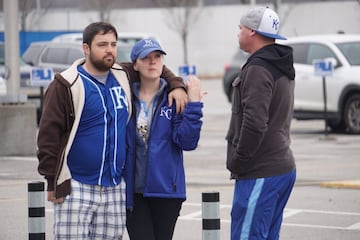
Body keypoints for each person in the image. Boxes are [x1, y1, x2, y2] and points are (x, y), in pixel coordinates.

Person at [37, 22, 187, 239]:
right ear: (86, 48)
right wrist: (52, 180)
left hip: (115, 188)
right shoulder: (67, 84)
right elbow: (48, 136)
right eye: (102, 44)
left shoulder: (122, 75)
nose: (109, 50)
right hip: (78, 185)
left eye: (113, 44)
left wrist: (176, 84)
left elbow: (154, 66)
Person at [225, 7, 296, 240]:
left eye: (240, 28)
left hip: (260, 171)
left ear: (253, 32)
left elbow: (255, 123)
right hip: (280, 167)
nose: (238, 32)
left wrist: (239, 160)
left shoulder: (258, 68)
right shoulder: (278, 63)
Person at [125, 38, 204, 240]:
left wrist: (194, 105)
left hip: (167, 191)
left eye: (157, 57)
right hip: (133, 193)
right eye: (146, 57)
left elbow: (187, 142)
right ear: (135, 64)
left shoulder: (175, 98)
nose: (152, 62)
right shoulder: (125, 97)